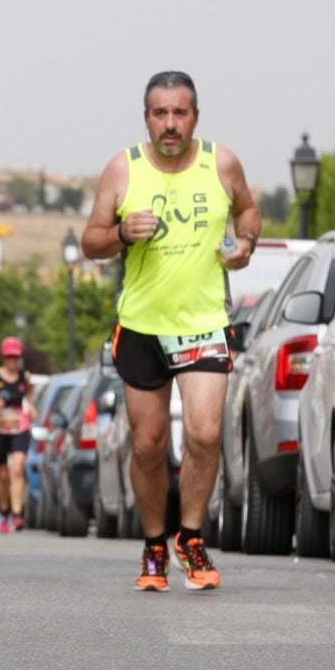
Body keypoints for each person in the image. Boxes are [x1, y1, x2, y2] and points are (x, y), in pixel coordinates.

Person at [81, 70, 259, 592]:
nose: (170, 123)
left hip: (204, 321)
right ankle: (155, 543)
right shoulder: (123, 169)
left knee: (204, 433)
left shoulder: (220, 163)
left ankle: (192, 536)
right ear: (147, 119)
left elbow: (248, 210)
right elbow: (91, 241)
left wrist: (245, 242)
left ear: (195, 117)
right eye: (160, 113)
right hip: (142, 326)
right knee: (148, 444)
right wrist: (119, 232)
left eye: (180, 112)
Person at [0, 336, 32, 532]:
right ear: (3, 357)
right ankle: (4, 510)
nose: (12, 361)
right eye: (9, 357)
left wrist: (32, 407)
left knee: (17, 468)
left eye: (15, 357)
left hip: (19, 429)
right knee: (2, 475)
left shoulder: (24, 377)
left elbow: (29, 395)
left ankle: (17, 514)